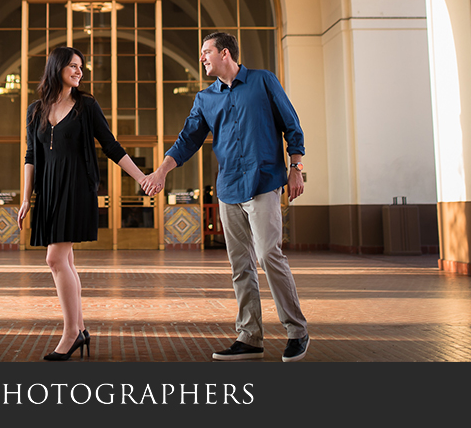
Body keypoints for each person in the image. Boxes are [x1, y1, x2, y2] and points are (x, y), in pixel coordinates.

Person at [140, 31, 310, 362]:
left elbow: (291, 125)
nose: (202, 58)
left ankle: (296, 330)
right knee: (240, 265)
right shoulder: (205, 99)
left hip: (263, 182)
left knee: (268, 255)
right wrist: (161, 171)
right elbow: (187, 140)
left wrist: (296, 166)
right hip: (229, 189)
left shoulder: (263, 82)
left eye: (206, 52)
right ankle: (250, 337)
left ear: (225, 53)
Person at [17, 46, 147, 361]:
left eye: (81, 67)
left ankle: (71, 333)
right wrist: (25, 199)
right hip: (48, 190)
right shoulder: (35, 110)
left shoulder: (86, 105)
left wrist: (141, 178)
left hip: (76, 188)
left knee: (55, 259)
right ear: (56, 68)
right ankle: (81, 328)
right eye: (73, 66)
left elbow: (111, 145)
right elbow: (31, 158)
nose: (80, 71)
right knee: (66, 262)